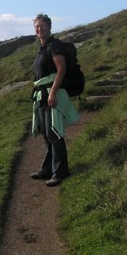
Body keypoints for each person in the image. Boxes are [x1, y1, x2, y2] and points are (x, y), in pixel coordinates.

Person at [30, 14, 79, 187]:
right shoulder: (42, 48)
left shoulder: (55, 46)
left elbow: (61, 70)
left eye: (42, 26)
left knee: (54, 133)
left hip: (53, 93)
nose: (39, 29)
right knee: (45, 132)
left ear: (49, 27)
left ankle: (60, 172)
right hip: (42, 94)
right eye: (36, 26)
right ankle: (47, 169)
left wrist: (53, 93)